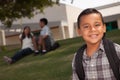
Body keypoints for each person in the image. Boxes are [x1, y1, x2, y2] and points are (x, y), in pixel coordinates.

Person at [72, 8, 120, 80]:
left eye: (97, 25)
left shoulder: (117, 52)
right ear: (79, 31)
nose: (92, 29)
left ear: (104, 28)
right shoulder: (77, 58)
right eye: (86, 26)